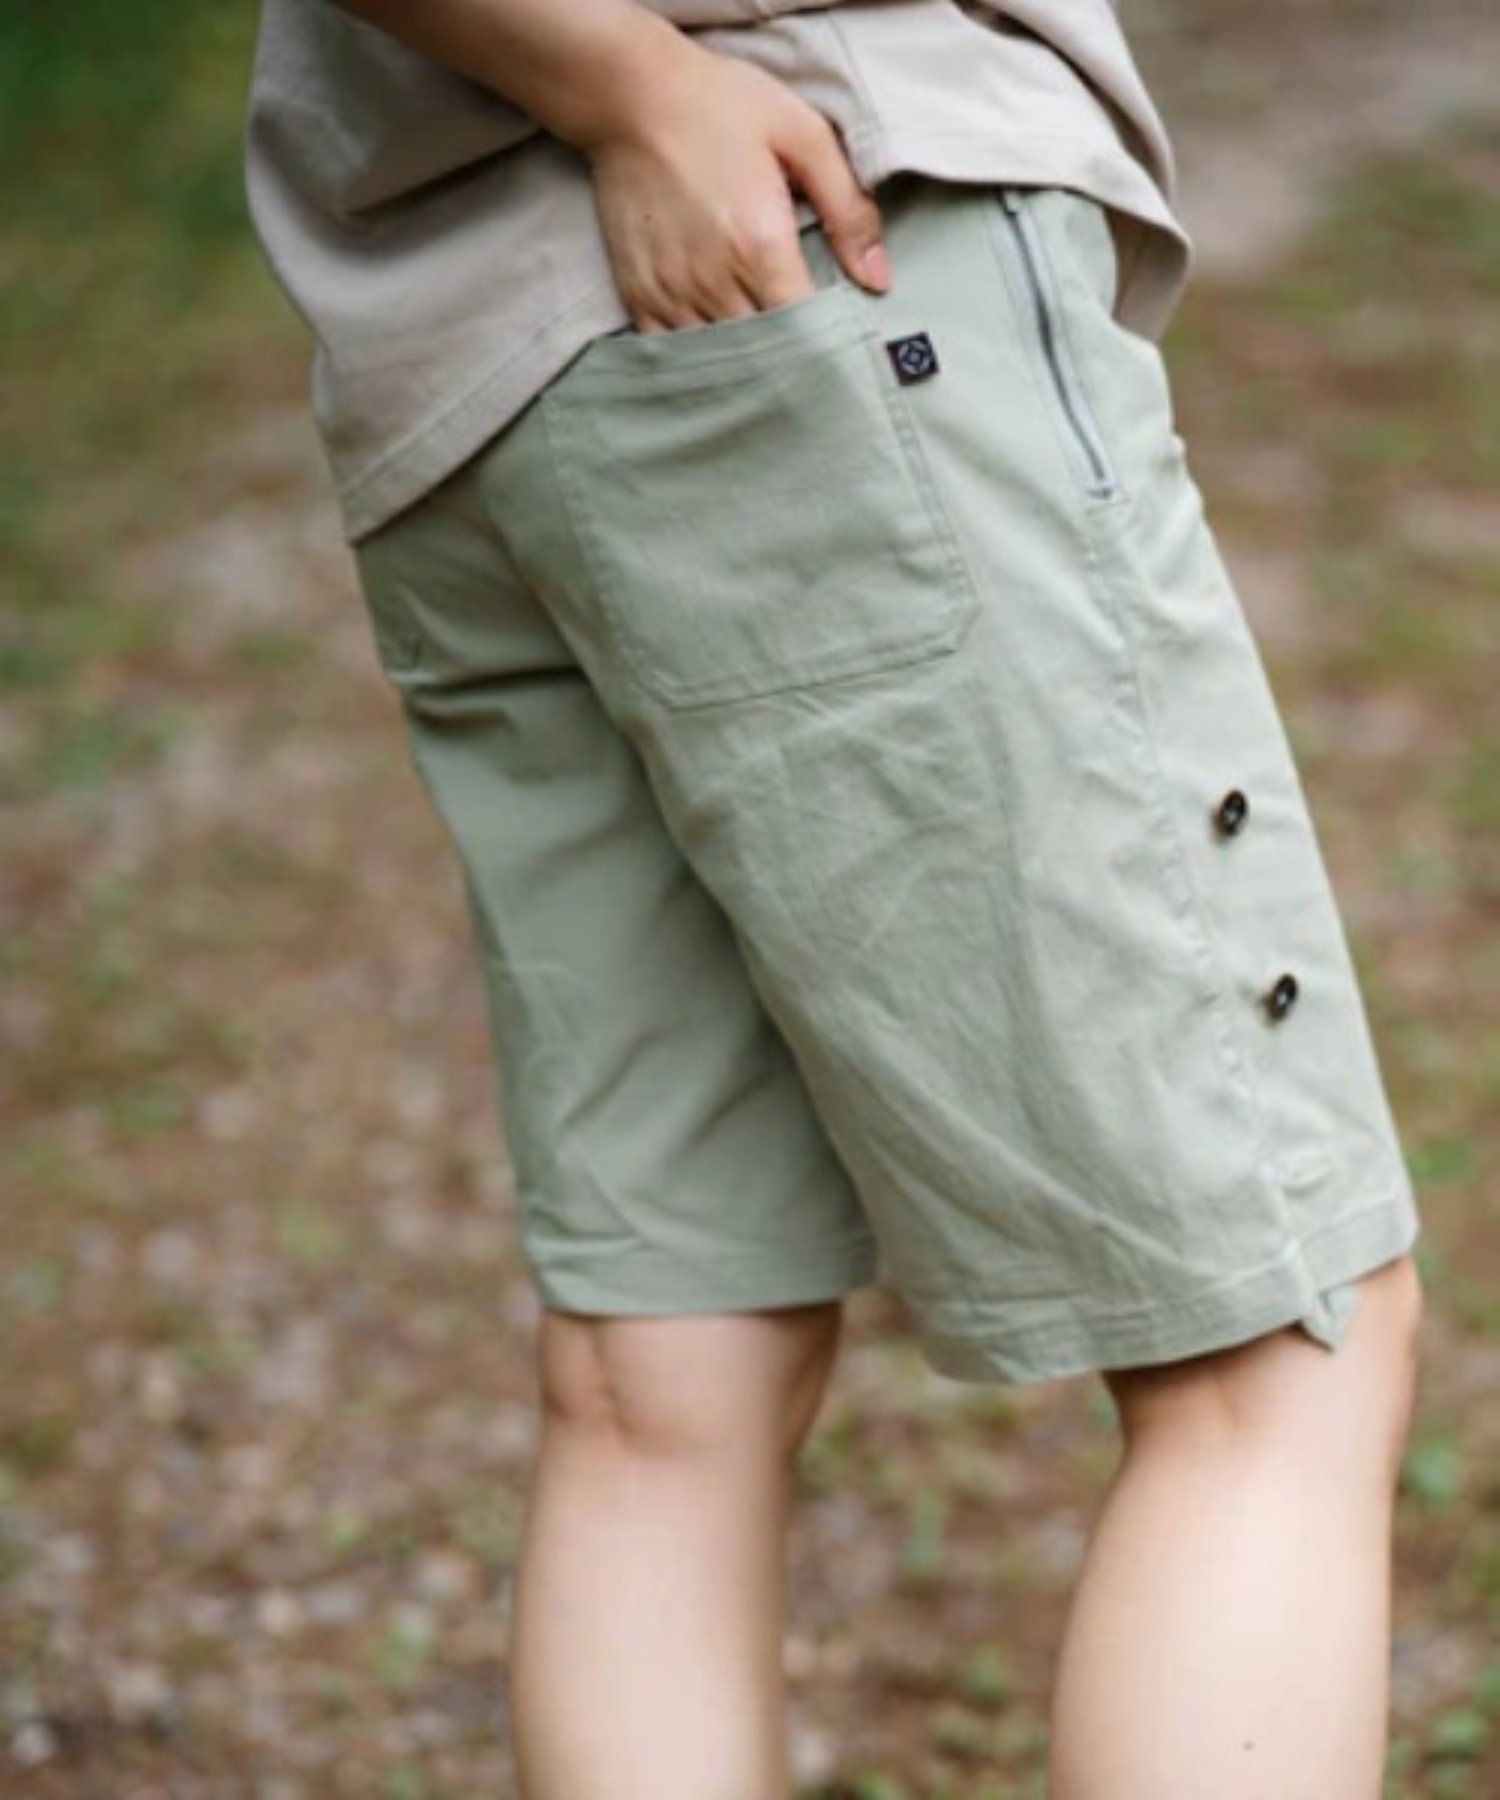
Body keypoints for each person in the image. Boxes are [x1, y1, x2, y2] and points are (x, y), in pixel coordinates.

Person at [242, 3, 1426, 1793]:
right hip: (807, 250)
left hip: (470, 366)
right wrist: (628, 85)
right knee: (1276, 1351)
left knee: (669, 1375)